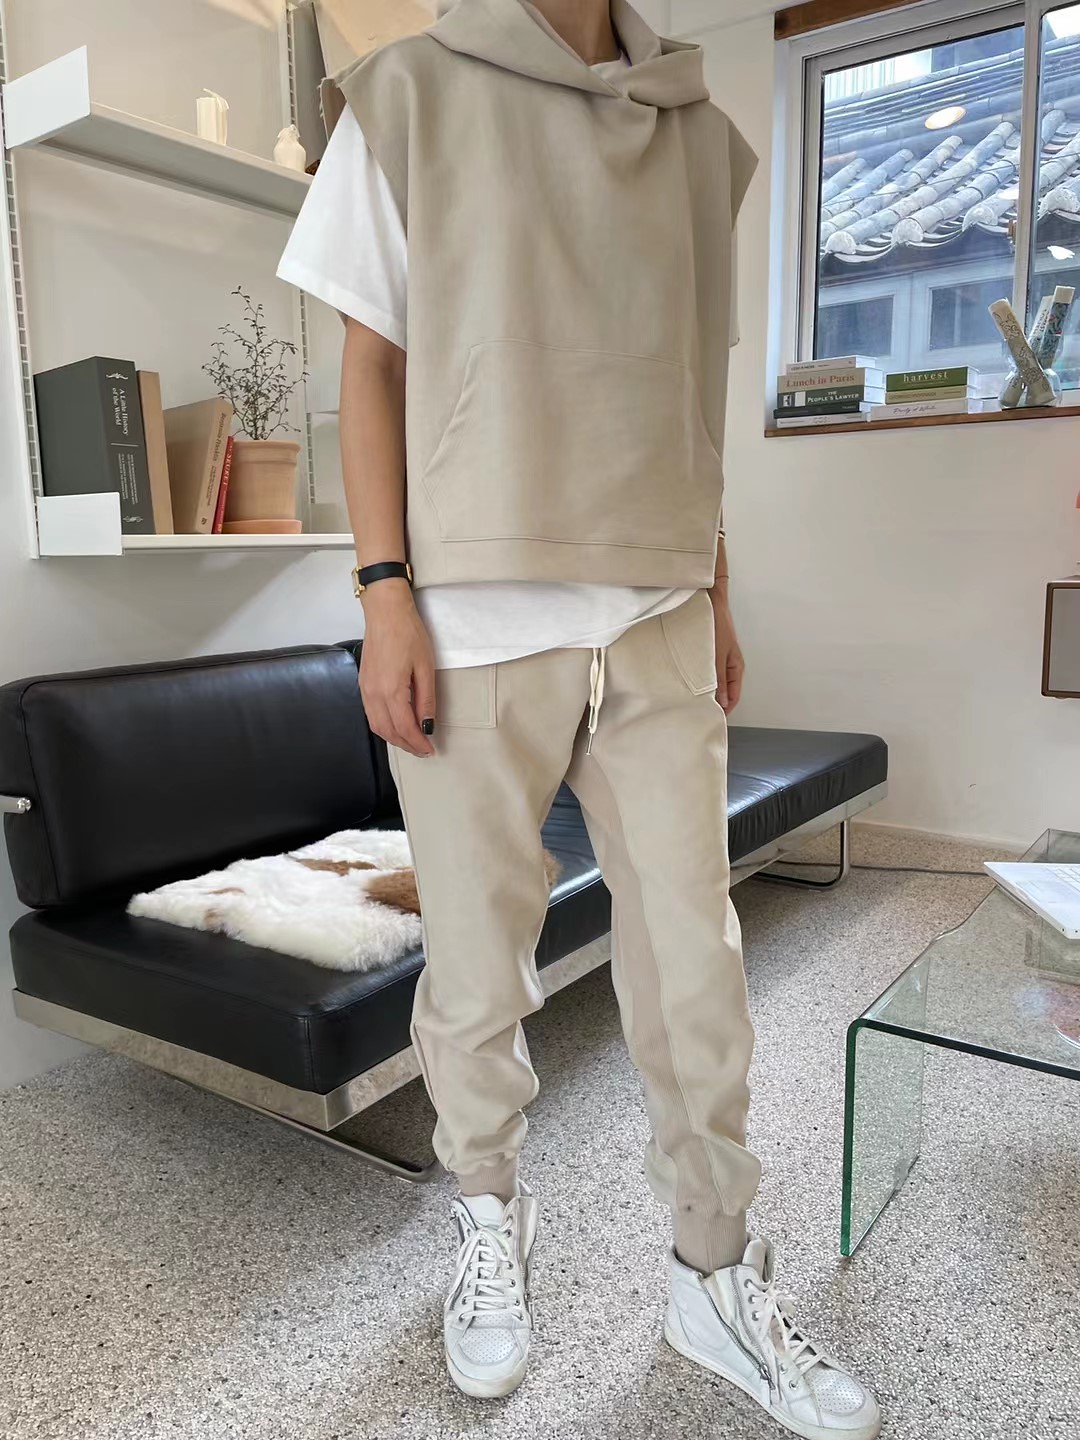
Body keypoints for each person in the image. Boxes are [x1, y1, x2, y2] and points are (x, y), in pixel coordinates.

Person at [278, 2, 880, 1434]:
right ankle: (490, 1218)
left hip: (656, 605)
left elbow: (690, 394)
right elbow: (372, 361)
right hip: (474, 616)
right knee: (477, 968)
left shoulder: (694, 130)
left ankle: (713, 1272)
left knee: (698, 966)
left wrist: (718, 584)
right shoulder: (407, 94)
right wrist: (382, 592)